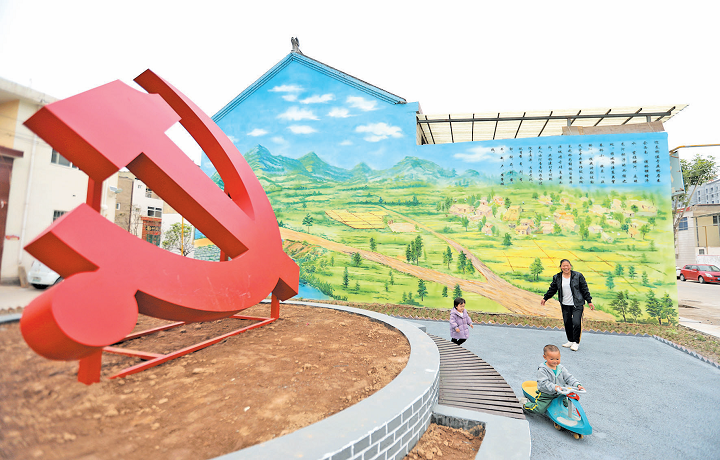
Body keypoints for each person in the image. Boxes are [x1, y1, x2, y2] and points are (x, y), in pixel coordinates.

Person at [540, 259, 594, 351]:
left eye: (567, 265)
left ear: (570, 266)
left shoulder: (578, 276)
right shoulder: (557, 277)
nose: (566, 267)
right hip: (565, 304)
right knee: (567, 323)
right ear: (560, 267)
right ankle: (570, 340)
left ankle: (576, 342)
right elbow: (552, 289)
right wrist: (545, 298)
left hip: (577, 303)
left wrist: (589, 301)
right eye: (563, 266)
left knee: (576, 322)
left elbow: (584, 289)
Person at [521, 344, 585, 414]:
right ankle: (524, 404)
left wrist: (577, 385)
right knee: (539, 409)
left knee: (565, 404)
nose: (555, 361)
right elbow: (543, 383)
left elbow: (569, 377)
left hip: (559, 393)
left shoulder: (561, 368)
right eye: (551, 359)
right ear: (545, 357)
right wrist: (554, 387)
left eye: (557, 359)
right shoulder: (542, 370)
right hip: (547, 394)